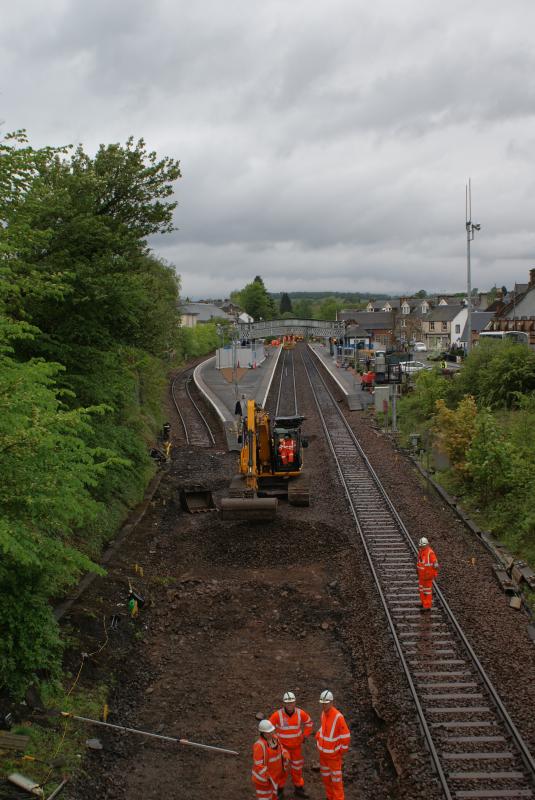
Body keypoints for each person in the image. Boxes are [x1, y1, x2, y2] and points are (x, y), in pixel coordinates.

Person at [269, 692, 313, 798]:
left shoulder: (300, 713)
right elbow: (268, 730)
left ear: (295, 702)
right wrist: (274, 745)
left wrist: (305, 735)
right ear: (284, 703)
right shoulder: (277, 715)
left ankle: (299, 788)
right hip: (283, 748)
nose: (290, 704)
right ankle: (279, 790)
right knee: (282, 769)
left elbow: (309, 722)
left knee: (297, 768)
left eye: (292, 702)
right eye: (287, 703)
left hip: (296, 747)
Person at [316, 690, 350, 800]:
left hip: (334, 758)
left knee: (336, 782)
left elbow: (346, 737)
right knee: (326, 779)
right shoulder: (323, 714)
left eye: (326, 703)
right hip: (323, 756)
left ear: (331, 702)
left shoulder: (338, 717)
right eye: (322, 703)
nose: (324, 705)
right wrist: (318, 737)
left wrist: (340, 752)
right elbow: (323, 729)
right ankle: (330, 797)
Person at [252, 719, 289, 799]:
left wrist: (284, 753)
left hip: (274, 776)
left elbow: (281, 749)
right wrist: (267, 777)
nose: (271, 733)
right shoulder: (259, 745)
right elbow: (258, 765)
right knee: (265, 797)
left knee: (273, 795)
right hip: (264, 781)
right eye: (268, 732)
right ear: (263, 733)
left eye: (271, 731)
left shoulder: (275, 739)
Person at [417, 537, 439, 611]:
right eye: (421, 546)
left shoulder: (430, 552)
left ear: (427, 545)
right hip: (422, 575)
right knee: (421, 590)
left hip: (427, 576)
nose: (421, 547)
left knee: (427, 591)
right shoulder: (421, 551)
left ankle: (427, 606)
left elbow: (435, 563)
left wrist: (434, 570)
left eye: (422, 546)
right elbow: (420, 563)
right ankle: (423, 603)